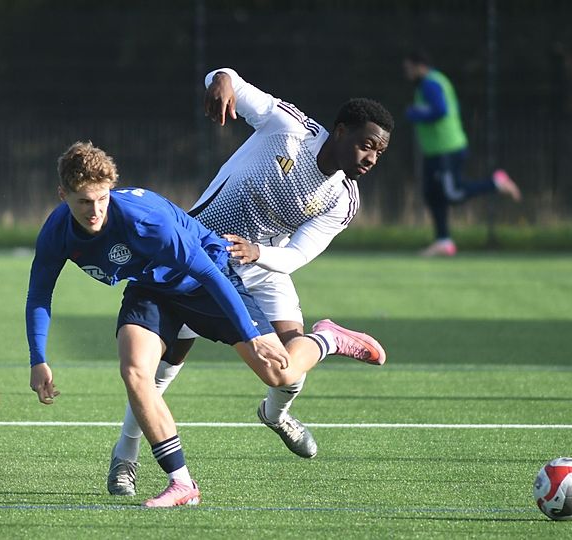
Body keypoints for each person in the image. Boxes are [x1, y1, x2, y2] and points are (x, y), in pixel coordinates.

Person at [106, 67, 393, 497]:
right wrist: (220, 79)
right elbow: (227, 81)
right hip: (199, 258)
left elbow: (296, 255)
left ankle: (277, 414)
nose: (371, 159)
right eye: (367, 145)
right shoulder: (288, 128)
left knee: (288, 371)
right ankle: (124, 458)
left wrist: (259, 253)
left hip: (266, 268)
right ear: (340, 131)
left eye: (378, 153)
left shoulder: (343, 199)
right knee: (160, 373)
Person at [26, 141, 299, 508]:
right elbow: (39, 295)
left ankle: (327, 339)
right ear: (63, 194)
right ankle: (181, 483)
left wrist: (251, 334)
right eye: (83, 202)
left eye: (102, 199)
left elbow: (207, 273)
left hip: (202, 282)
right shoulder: (56, 231)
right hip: (151, 289)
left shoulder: (143, 220)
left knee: (277, 374)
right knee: (136, 371)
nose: (95, 211)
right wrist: (38, 358)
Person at [403, 50, 522, 257]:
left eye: (409, 69)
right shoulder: (433, 82)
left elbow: (440, 111)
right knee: (432, 195)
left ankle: (496, 182)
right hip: (435, 150)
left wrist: (414, 113)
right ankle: (443, 242)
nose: (407, 73)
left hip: (446, 149)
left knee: (452, 193)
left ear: (419, 66)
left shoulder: (431, 83)